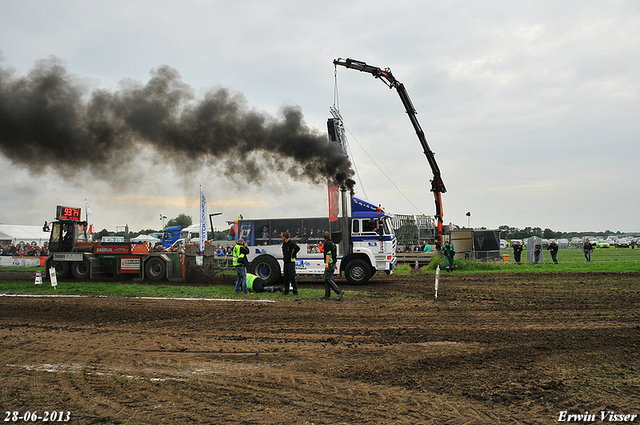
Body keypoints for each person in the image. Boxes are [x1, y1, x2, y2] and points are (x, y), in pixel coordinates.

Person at [321, 231, 344, 300]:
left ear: (324, 237)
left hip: (330, 263)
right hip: (333, 262)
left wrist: (327, 263)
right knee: (326, 278)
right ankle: (327, 295)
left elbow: (328, 254)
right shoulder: (333, 243)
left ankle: (339, 291)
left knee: (328, 278)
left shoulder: (327, 244)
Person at [281, 231, 300, 296]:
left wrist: (293, 255)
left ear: (284, 237)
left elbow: (297, 248)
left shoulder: (291, 243)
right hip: (286, 262)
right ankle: (286, 291)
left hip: (291, 262)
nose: (281, 237)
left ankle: (295, 291)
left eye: (282, 236)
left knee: (292, 276)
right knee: (286, 277)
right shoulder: (284, 244)